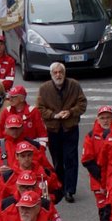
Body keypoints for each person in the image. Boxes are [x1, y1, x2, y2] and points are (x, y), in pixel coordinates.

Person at [36, 63, 87, 202]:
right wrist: (53, 115)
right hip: (53, 129)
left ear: (64, 73)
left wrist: (70, 112)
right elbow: (39, 108)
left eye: (60, 72)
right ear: (51, 74)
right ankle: (60, 185)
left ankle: (70, 190)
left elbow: (82, 104)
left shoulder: (74, 85)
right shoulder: (44, 88)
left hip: (70, 128)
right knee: (57, 160)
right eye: (55, 72)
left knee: (70, 159)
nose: (58, 75)